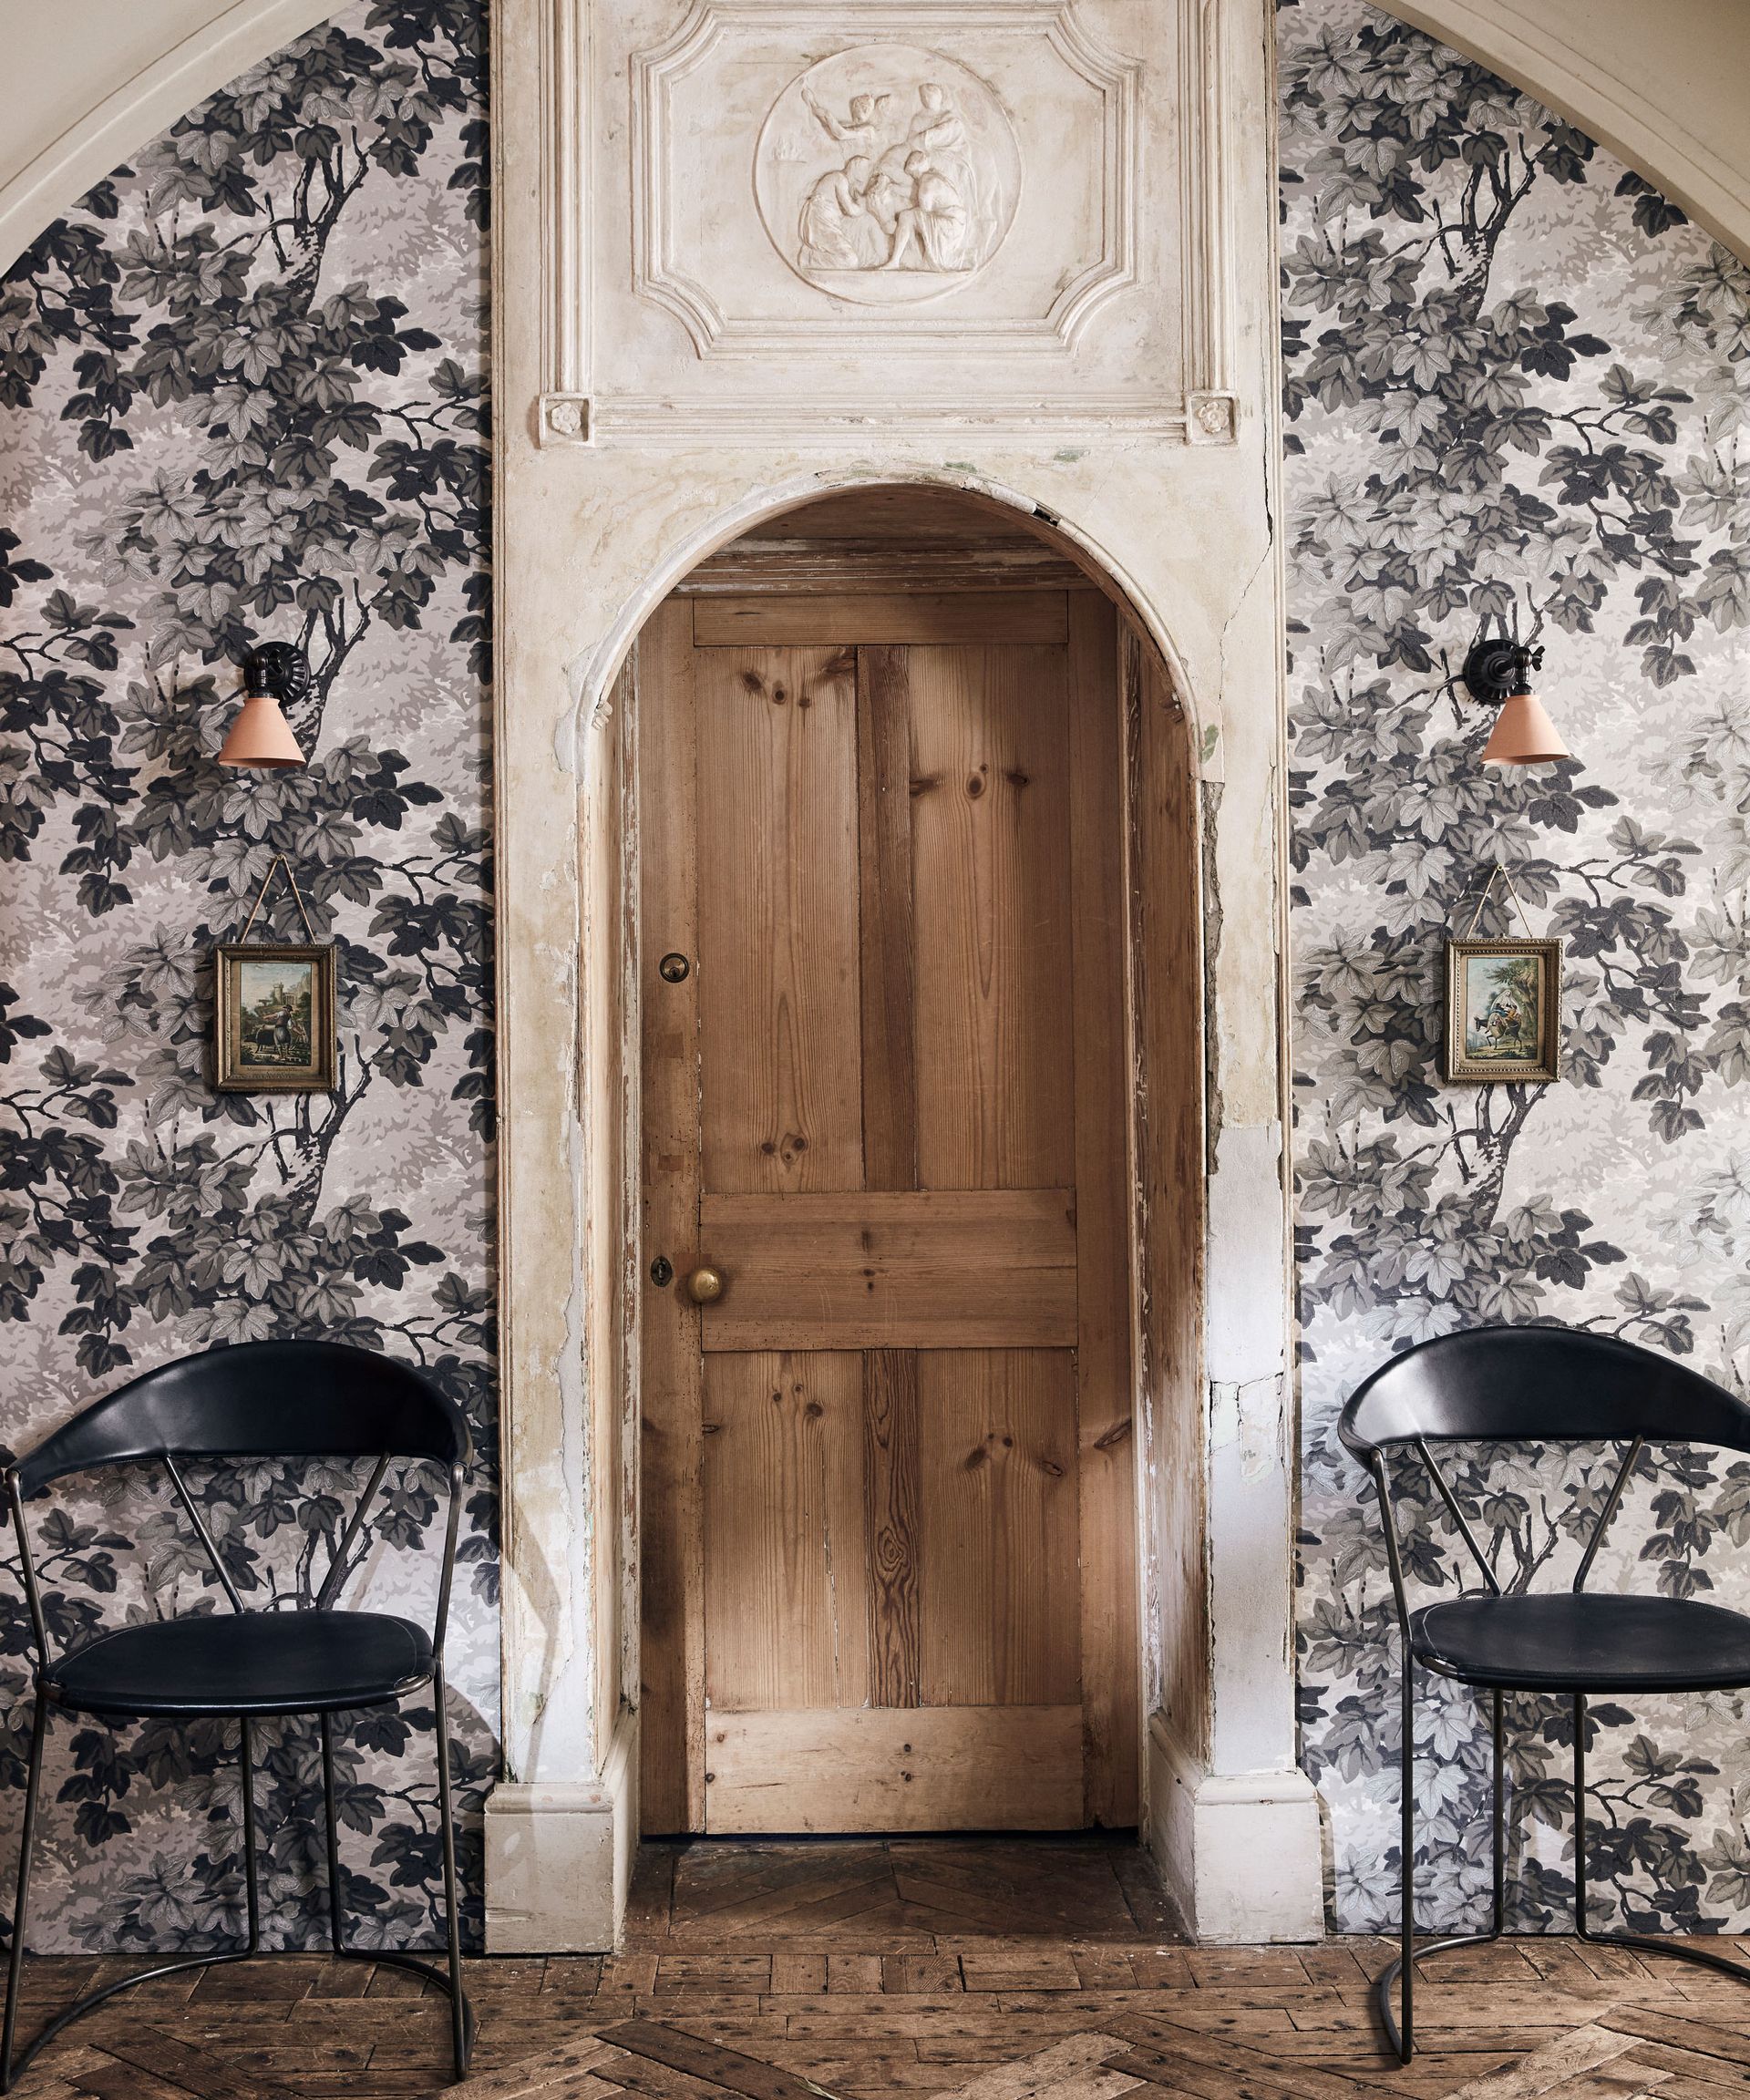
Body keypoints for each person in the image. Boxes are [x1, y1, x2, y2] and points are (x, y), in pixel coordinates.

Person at [882, 150, 972, 271]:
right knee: (910, 215)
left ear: (915, 169)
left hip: (948, 224)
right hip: (954, 221)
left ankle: (895, 261)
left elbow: (925, 208)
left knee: (906, 216)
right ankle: (898, 260)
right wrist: (893, 188)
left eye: (912, 174)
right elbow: (914, 195)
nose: (912, 177)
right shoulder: (932, 177)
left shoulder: (927, 183)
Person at [798, 157, 885, 270]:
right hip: (821, 221)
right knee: (850, 260)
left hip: (825, 221)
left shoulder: (843, 182)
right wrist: (866, 206)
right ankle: (808, 258)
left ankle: (811, 256)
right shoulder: (840, 179)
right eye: (866, 171)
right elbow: (852, 211)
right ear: (856, 170)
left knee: (851, 256)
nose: (867, 176)